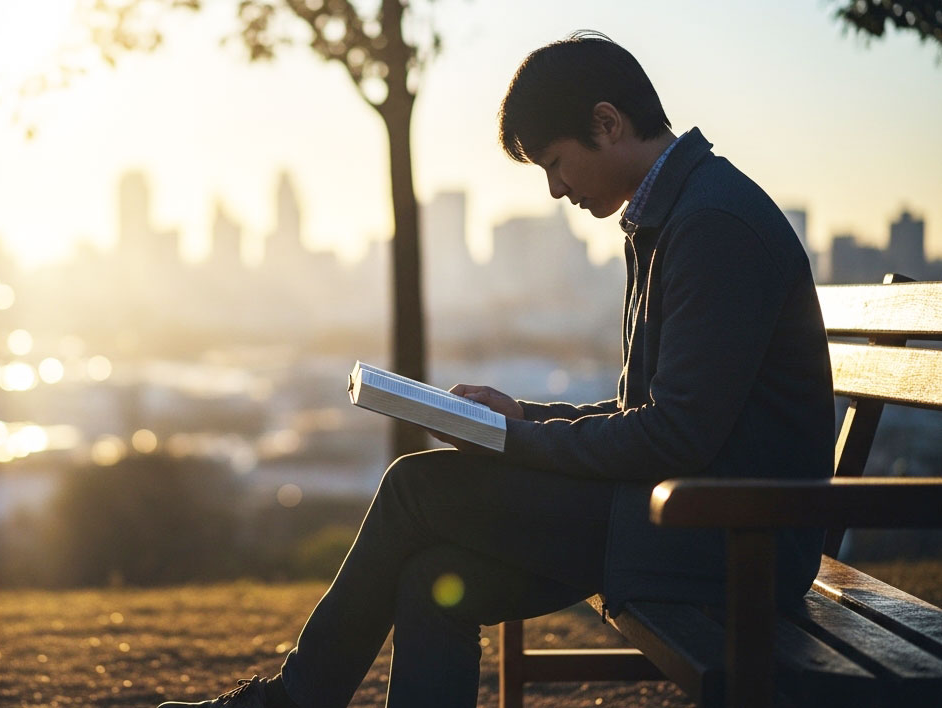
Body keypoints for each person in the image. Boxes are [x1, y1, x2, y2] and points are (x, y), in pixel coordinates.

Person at [158, 30, 833, 708]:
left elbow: (674, 437)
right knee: (432, 574)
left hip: (732, 539)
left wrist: (514, 441)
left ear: (607, 122)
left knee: (413, 489)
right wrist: (519, 418)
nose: (555, 188)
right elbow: (655, 419)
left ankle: (289, 703)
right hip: (687, 518)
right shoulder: (679, 213)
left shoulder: (711, 225)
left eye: (556, 162)